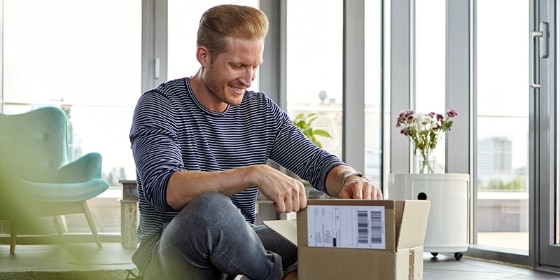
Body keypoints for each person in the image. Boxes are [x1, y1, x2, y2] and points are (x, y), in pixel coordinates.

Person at [129, 4, 383, 280]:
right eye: (237, 66)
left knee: (325, 235)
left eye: (254, 67)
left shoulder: (259, 110)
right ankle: (275, 276)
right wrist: (253, 174)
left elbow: (316, 164)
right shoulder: (159, 105)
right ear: (204, 56)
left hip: (241, 248)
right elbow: (165, 190)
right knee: (210, 207)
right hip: (169, 254)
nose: (248, 79)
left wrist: (349, 179)